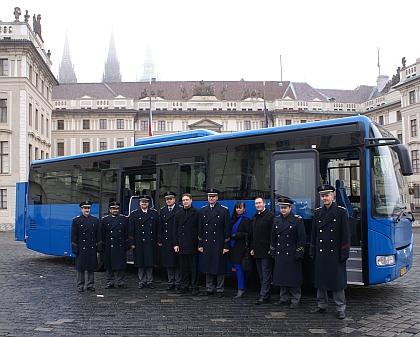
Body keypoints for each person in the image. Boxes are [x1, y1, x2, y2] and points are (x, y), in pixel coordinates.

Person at [309, 184, 350, 319]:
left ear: (333, 196)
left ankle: (340, 307)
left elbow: (345, 234)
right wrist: (312, 250)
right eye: (322, 196)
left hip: (335, 253)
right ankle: (322, 304)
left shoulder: (341, 212)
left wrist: (344, 252)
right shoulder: (318, 212)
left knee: (337, 283)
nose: (324, 198)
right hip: (321, 253)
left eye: (327, 195)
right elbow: (314, 234)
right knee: (321, 281)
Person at [270, 197, 306, 308]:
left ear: (290, 208)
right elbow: (273, 236)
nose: (283, 210)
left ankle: (295, 299)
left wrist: (299, 252)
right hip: (280, 252)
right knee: (281, 277)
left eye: (285, 208)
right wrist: (273, 250)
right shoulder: (276, 219)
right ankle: (283, 297)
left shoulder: (297, 220)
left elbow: (301, 238)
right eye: (281, 208)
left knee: (293, 278)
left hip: (291, 252)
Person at [198, 188, 231, 298]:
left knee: (219, 267)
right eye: (209, 196)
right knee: (208, 266)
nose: (211, 198)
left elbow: (227, 229)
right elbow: (200, 229)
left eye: (213, 196)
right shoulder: (203, 210)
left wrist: (226, 245)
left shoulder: (223, 210)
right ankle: (209, 288)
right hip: (207, 242)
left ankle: (220, 289)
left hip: (219, 243)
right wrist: (200, 244)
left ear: (217, 198)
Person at [71, 200, 102, 292]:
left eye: (88, 208)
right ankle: (80, 285)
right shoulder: (76, 220)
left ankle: (90, 284)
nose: (87, 210)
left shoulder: (95, 220)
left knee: (91, 267)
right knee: (81, 268)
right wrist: (75, 247)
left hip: (91, 246)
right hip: (81, 247)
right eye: (85, 208)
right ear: (81, 209)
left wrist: (99, 246)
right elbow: (74, 235)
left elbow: (98, 235)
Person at [128, 195, 158, 289]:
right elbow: (131, 229)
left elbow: (157, 228)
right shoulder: (134, 214)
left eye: (145, 202)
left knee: (150, 262)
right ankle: (142, 281)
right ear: (139, 203)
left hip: (150, 241)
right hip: (139, 241)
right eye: (142, 202)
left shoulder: (154, 214)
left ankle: (149, 281)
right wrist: (131, 242)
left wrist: (158, 241)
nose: (144, 204)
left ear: (148, 203)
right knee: (140, 262)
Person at [173, 193, 200, 295]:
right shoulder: (178, 213)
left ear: (191, 200)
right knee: (183, 268)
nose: (185, 202)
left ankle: (194, 286)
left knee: (193, 268)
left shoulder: (197, 213)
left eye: (187, 200)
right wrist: (175, 244)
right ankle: (184, 286)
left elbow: (199, 230)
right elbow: (175, 230)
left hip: (193, 245)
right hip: (182, 244)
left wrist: (199, 244)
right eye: (183, 200)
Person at [250, 196, 275, 304]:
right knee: (260, 274)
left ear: (265, 204)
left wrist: (271, 248)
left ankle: (263, 295)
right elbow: (253, 235)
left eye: (260, 203)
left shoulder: (270, 216)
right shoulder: (254, 216)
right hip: (257, 250)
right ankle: (265, 293)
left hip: (266, 250)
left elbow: (273, 234)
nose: (258, 205)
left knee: (266, 274)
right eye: (256, 203)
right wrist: (252, 248)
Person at [101, 201, 129, 289]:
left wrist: (127, 245)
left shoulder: (124, 219)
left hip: (120, 245)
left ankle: (121, 281)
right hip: (109, 245)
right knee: (109, 265)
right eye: (113, 209)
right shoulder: (105, 220)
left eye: (116, 209)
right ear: (109, 210)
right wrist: (102, 245)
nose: (115, 210)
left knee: (120, 265)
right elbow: (102, 234)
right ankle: (110, 281)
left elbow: (127, 233)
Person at [158, 191, 182, 290]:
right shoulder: (163, 211)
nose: (169, 201)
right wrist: (160, 239)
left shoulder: (179, 210)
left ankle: (178, 282)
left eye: (171, 199)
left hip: (176, 239)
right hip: (166, 239)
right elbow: (161, 226)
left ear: (174, 200)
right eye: (167, 199)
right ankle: (170, 281)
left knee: (177, 262)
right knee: (169, 262)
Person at [229, 201, 251, 299]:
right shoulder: (234, 219)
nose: (238, 210)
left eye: (240, 208)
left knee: (239, 268)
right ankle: (242, 287)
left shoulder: (246, 220)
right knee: (237, 268)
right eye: (237, 208)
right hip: (234, 246)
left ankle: (240, 289)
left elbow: (249, 234)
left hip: (241, 247)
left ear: (244, 209)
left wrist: (237, 235)